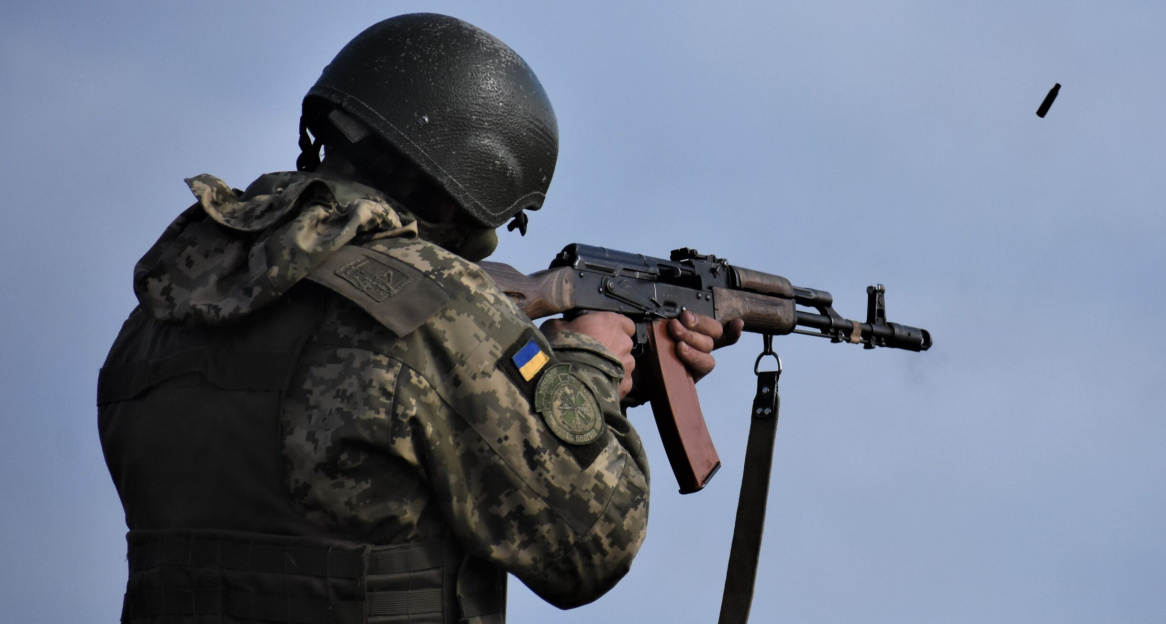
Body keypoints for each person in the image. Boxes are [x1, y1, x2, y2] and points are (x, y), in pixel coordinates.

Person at [98, 13, 740, 624]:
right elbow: (590, 539)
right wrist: (587, 366)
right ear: (478, 172)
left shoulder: (166, 310)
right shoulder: (436, 310)